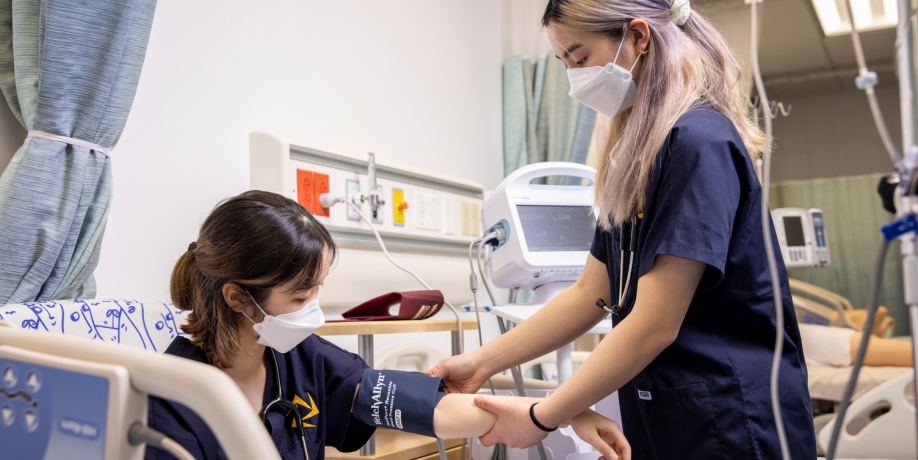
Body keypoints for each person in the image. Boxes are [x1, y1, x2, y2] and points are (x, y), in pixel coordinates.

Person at [427, 0, 818, 458]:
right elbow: (588, 294)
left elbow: (654, 324)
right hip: (668, 408)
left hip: (730, 416)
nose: (575, 78)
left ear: (638, 36)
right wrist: (479, 361)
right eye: (565, 64)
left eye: (580, 57)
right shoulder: (635, 158)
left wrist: (542, 417)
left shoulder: (698, 142)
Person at [146, 190, 630, 460]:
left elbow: (432, 409)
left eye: (317, 288)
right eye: (300, 294)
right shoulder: (170, 397)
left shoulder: (302, 359)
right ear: (238, 297)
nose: (314, 307)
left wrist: (561, 413)